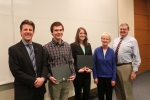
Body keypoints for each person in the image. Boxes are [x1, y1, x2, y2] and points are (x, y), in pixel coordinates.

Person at [8, 19, 48, 100]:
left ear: (33, 32)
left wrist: (43, 78)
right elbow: (16, 71)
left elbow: (45, 65)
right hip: (24, 92)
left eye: (30, 30)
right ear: (20, 32)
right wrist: (35, 81)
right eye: (25, 29)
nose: (28, 32)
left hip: (39, 91)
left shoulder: (39, 47)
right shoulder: (13, 49)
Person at [43, 21, 76, 100]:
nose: (59, 32)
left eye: (60, 30)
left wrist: (73, 74)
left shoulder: (68, 46)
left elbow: (70, 62)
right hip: (55, 82)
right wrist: (49, 77)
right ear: (52, 32)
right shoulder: (46, 47)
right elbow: (44, 65)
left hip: (67, 80)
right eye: (56, 30)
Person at [112, 23, 141, 100]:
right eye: (121, 29)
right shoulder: (115, 40)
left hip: (126, 67)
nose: (122, 30)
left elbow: (137, 57)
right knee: (118, 89)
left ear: (128, 30)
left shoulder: (132, 40)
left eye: (124, 29)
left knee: (127, 90)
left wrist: (134, 71)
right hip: (115, 67)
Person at [70, 27, 92, 100]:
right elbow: (70, 60)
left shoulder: (88, 45)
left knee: (87, 93)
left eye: (84, 33)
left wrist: (91, 69)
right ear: (77, 34)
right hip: (78, 73)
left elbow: (90, 58)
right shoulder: (72, 46)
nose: (82, 35)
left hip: (87, 73)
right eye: (81, 33)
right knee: (78, 93)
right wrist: (77, 70)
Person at [93, 32, 116, 100]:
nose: (105, 40)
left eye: (107, 39)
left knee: (109, 96)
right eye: (103, 38)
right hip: (99, 78)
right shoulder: (96, 50)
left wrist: (113, 79)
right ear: (101, 40)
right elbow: (94, 64)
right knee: (100, 96)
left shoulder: (112, 52)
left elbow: (114, 65)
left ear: (109, 41)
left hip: (109, 78)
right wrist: (95, 77)